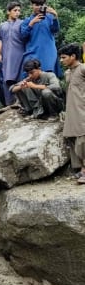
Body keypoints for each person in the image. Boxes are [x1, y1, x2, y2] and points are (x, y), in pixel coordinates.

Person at [59, 43, 85, 184]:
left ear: (73, 56)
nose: (61, 60)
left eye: (63, 57)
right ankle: (80, 168)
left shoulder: (83, 69)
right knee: (72, 137)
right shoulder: (68, 73)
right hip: (71, 110)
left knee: (83, 139)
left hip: (82, 110)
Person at [21, 0, 61, 78]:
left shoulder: (50, 17)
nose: (39, 7)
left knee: (48, 77)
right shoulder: (27, 21)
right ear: (32, 5)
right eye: (36, 5)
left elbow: (56, 30)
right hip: (32, 53)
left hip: (48, 53)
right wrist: (31, 24)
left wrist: (55, 16)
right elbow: (23, 37)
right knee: (30, 76)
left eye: (41, 5)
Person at [0, 2, 25, 95]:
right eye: (15, 10)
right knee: (7, 77)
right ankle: (9, 103)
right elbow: (0, 39)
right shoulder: (2, 25)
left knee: (19, 76)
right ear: (8, 12)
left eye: (19, 11)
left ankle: (21, 102)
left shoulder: (22, 23)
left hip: (20, 54)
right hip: (6, 55)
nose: (17, 13)